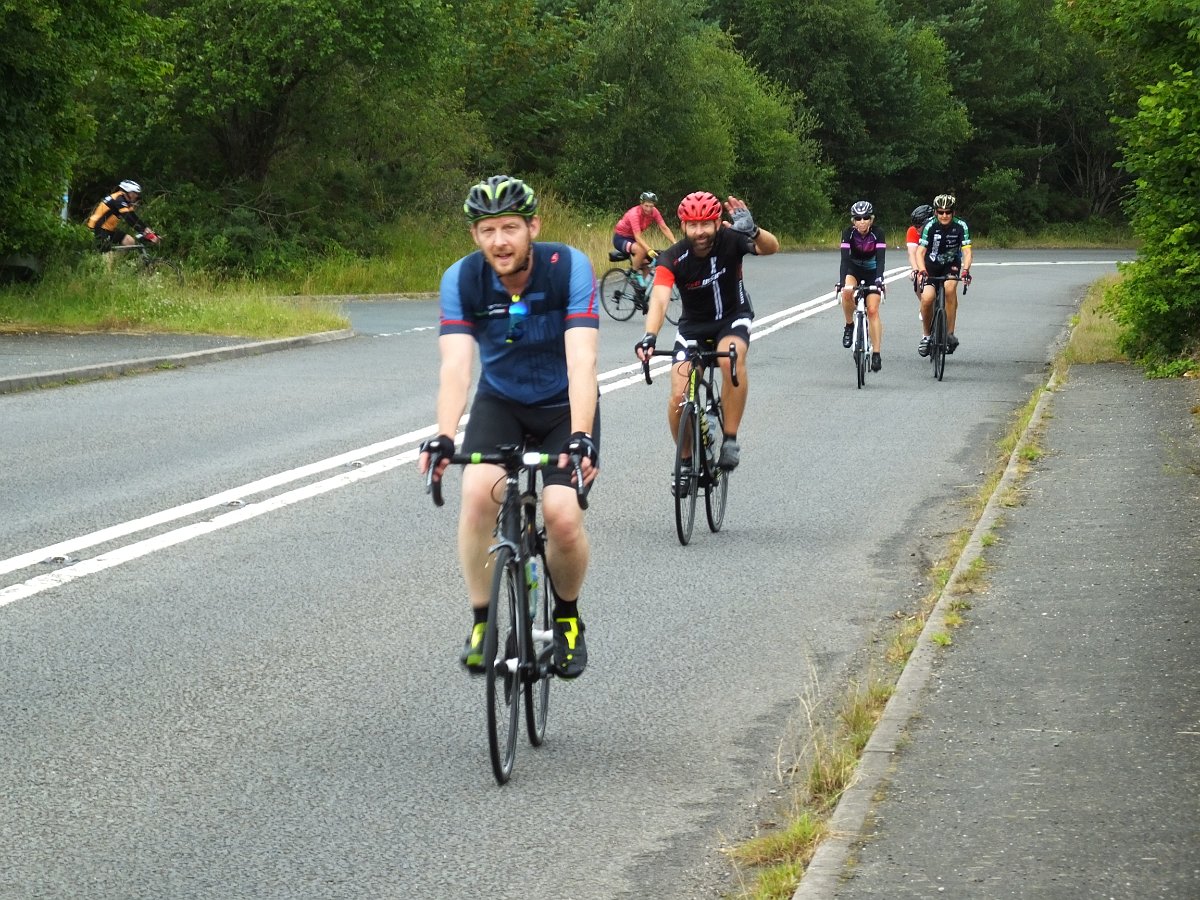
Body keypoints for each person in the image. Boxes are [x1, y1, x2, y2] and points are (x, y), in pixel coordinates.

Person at [418, 175, 600, 680]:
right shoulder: (462, 279)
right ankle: (483, 623)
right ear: (475, 235)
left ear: (532, 227)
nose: (499, 241)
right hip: (501, 403)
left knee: (562, 516)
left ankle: (567, 619)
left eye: (510, 228)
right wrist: (445, 435)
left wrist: (581, 436)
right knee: (478, 494)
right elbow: (456, 367)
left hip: (564, 406)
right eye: (487, 230)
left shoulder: (568, 268)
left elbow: (582, 360)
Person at [633, 191, 779, 493]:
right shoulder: (673, 257)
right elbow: (659, 299)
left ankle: (730, 439)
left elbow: (770, 248)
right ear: (683, 226)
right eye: (692, 225)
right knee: (678, 397)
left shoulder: (731, 239)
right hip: (693, 328)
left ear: (716, 222)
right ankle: (686, 461)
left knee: (730, 357)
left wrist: (754, 231)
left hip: (732, 317)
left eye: (705, 224)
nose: (699, 232)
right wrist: (649, 336)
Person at [915, 193, 972, 356]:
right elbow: (920, 252)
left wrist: (966, 270)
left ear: (953, 212)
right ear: (935, 212)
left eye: (948, 212)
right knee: (927, 298)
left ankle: (949, 334)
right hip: (931, 265)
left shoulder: (961, 226)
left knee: (950, 288)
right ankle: (926, 336)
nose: (944, 215)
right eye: (940, 212)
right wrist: (922, 270)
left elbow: (967, 252)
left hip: (950, 265)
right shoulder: (929, 226)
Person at [837, 200, 887, 372]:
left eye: (866, 218)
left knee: (872, 310)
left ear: (871, 219)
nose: (862, 221)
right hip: (854, 271)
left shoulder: (878, 233)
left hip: (872, 273)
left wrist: (879, 279)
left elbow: (881, 259)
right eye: (858, 218)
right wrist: (842, 282)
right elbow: (844, 260)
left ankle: (877, 354)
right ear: (853, 221)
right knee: (847, 292)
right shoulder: (848, 233)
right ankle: (849, 325)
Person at [613, 191, 676, 287]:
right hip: (621, 238)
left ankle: (642, 290)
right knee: (642, 250)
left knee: (648, 262)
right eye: (646, 206)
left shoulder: (654, 212)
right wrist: (649, 249)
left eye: (651, 206)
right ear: (641, 204)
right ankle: (633, 274)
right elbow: (638, 237)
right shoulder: (634, 214)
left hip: (633, 239)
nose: (649, 209)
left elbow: (664, 227)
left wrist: (675, 243)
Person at [86, 180, 155, 252]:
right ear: (128, 192)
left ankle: (117, 257)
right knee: (105, 252)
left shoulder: (124, 201)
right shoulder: (118, 199)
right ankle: (111, 258)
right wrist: (142, 232)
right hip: (98, 228)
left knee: (129, 241)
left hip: (108, 229)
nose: (137, 196)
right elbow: (128, 218)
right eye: (135, 193)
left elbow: (133, 217)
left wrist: (145, 229)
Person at [906, 204, 934, 295]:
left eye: (919, 226)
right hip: (922, 261)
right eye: (915, 225)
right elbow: (912, 253)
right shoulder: (912, 231)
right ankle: (923, 303)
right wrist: (915, 269)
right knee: (917, 279)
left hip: (938, 261)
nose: (916, 229)